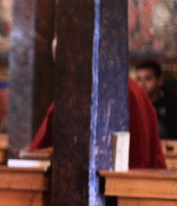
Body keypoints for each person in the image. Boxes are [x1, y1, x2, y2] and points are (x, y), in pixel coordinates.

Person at [27, 39, 165, 169]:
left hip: (115, 182)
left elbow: (35, 153)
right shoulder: (130, 86)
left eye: (62, 61)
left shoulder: (82, 90)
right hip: (143, 182)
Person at [135, 59, 177, 139]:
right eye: (139, 79)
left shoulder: (172, 104)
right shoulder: (132, 104)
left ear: (160, 80)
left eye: (148, 78)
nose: (142, 84)